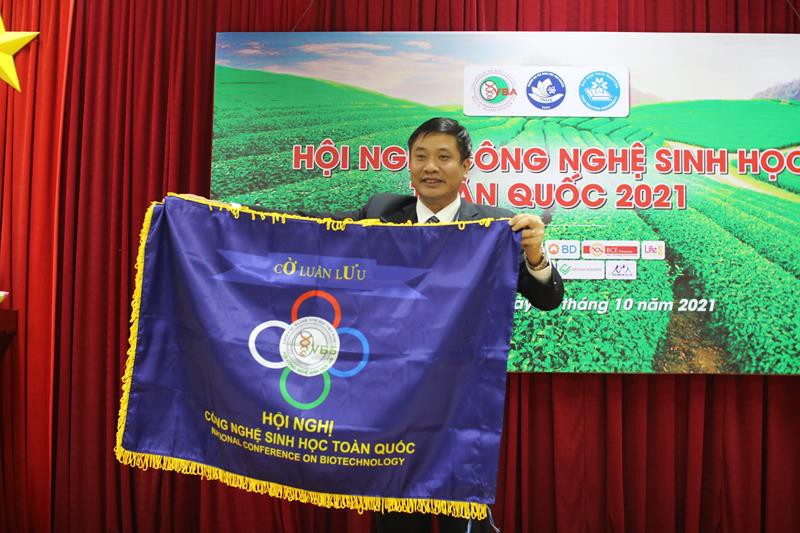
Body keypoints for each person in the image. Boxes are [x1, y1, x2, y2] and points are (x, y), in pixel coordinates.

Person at [329, 117, 563, 532]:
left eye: (443, 157)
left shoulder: (496, 226)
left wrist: (536, 256)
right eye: (420, 157)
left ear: (466, 166)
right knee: (397, 520)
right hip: (393, 400)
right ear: (409, 164)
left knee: (464, 518)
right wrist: (235, 217)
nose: (430, 167)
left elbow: (548, 299)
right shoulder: (381, 212)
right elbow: (312, 228)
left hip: (462, 399)